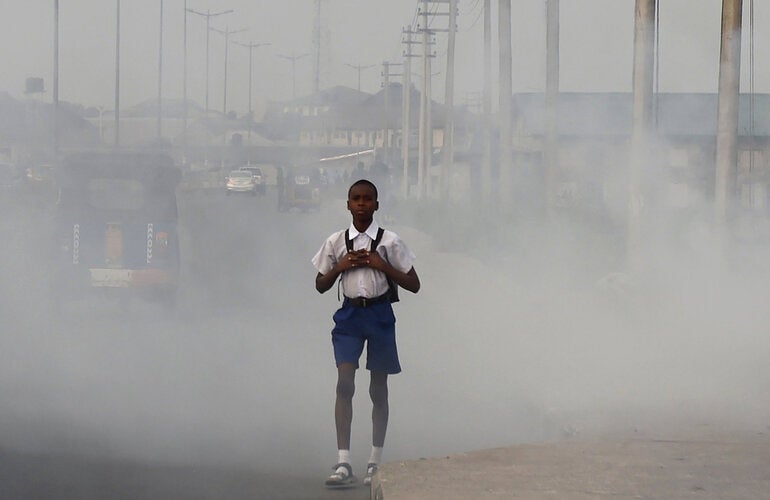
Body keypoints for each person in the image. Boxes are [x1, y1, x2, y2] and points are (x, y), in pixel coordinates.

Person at [312, 179, 420, 488]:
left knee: (378, 388)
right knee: (344, 382)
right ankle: (344, 461)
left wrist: (381, 265)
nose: (361, 204)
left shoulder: (390, 241)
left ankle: (375, 460)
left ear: (376, 205)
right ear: (348, 205)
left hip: (380, 314)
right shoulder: (336, 241)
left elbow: (413, 283)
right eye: (356, 199)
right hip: (349, 315)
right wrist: (340, 266)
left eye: (367, 199)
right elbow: (320, 284)